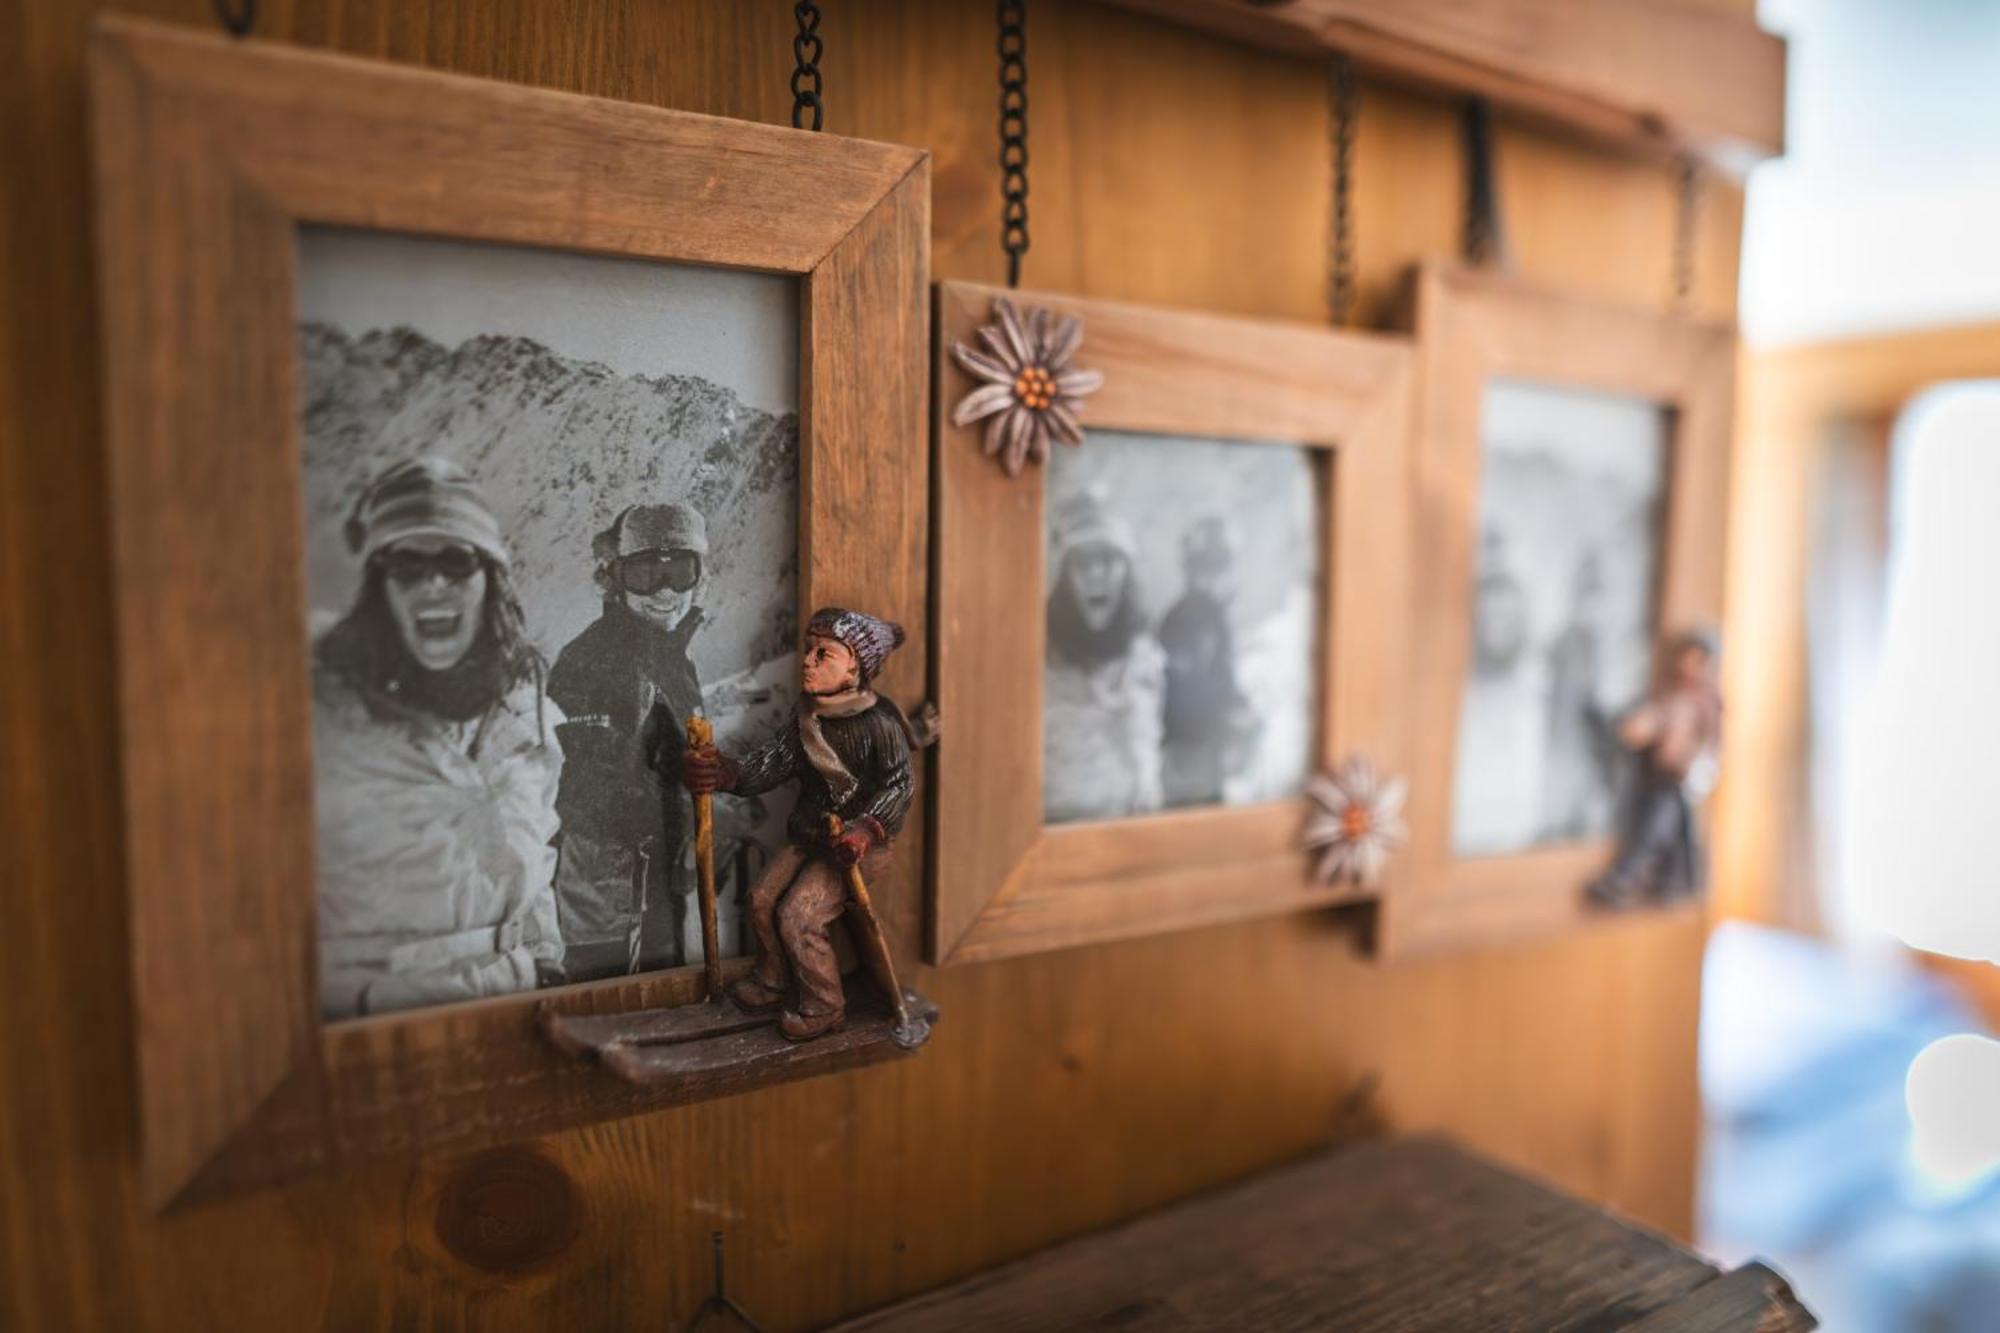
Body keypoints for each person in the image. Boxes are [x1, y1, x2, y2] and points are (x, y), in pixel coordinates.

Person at [313, 457, 565, 1019]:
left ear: (489, 580)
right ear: (380, 587)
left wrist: (548, 961)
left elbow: (538, 851)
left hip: (514, 1008)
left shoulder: (527, 715)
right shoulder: (325, 716)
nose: (434, 583)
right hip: (374, 1021)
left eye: (457, 561)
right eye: (407, 564)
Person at [679, 608, 915, 1042]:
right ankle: (774, 980)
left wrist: (865, 830)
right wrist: (725, 773)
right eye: (808, 650)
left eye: (823, 653)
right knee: (762, 898)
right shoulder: (805, 720)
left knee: (798, 916)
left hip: (860, 848)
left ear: (854, 666)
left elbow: (899, 787)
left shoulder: (881, 725)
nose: (807, 661)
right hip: (810, 836)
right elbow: (768, 765)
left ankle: (824, 1006)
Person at [547, 503, 708, 980]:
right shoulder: (590, 660)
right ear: (616, 578)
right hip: (611, 906)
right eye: (644, 573)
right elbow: (578, 788)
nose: (664, 591)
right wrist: (679, 814)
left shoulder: (672, 658)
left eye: (679, 570)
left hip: (659, 887)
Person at [1042, 490, 1165, 823]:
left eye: (1109, 559)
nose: (1096, 573)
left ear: (1127, 569)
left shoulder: (1146, 655)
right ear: (1065, 576)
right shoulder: (1035, 659)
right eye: (1082, 561)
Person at [1588, 629, 1724, 907]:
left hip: (1680, 780)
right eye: (1686, 659)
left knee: (1660, 823)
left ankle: (1628, 877)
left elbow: (1709, 745)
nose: (1688, 667)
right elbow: (1652, 722)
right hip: (1660, 777)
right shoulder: (1672, 697)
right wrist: (1636, 729)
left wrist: (1695, 766)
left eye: (1697, 661)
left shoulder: (1707, 703)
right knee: (1666, 827)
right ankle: (1652, 879)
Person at [1158, 516, 1255, 809]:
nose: (1214, 577)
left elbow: (1220, 674)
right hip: (1189, 747)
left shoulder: (1213, 614)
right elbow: (1189, 687)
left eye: (1221, 565)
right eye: (1205, 566)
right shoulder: (1192, 616)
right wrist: (1231, 709)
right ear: (1191, 569)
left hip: (1207, 747)